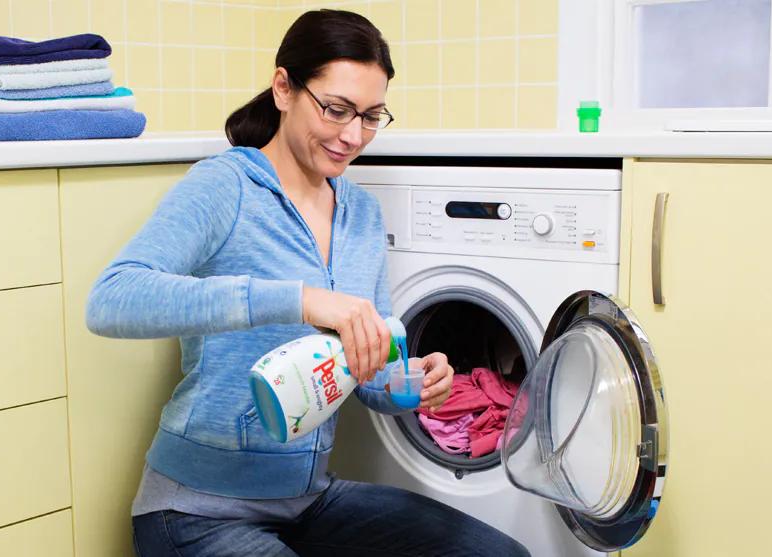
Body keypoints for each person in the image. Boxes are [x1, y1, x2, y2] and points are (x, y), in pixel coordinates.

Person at [86, 9, 531, 557]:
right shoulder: (226, 185)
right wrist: (299, 299)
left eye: (371, 116)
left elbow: (368, 376)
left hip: (308, 501)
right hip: (194, 512)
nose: (352, 135)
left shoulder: (361, 216)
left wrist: (411, 383)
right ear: (283, 89)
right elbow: (112, 299)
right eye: (337, 109)